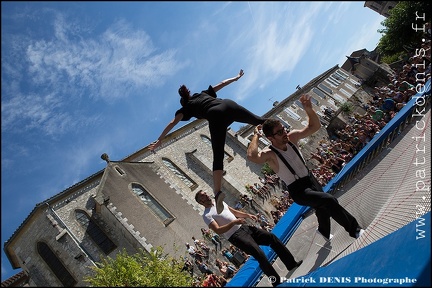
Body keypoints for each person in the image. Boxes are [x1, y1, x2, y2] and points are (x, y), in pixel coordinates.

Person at [247, 94, 365, 241]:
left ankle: (323, 231)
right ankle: (355, 230)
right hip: (298, 190)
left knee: (322, 207)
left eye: (283, 129)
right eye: (279, 132)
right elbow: (252, 157)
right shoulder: (270, 154)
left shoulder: (293, 137)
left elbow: (315, 126)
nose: (284, 133)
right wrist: (256, 136)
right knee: (328, 200)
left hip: (310, 179)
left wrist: (308, 109)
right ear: (270, 138)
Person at [149, 69, 266, 213]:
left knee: (218, 156)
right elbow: (222, 83)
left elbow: (173, 122)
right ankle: (282, 131)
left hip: (216, 115)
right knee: (260, 121)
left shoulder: (186, 108)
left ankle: (217, 193)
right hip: (229, 105)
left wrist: (159, 140)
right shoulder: (202, 94)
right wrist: (236, 77)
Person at [195, 190, 302, 287]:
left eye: (205, 193)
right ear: (201, 201)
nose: (206, 195)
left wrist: (247, 215)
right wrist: (234, 222)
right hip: (236, 236)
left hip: (245, 228)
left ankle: (291, 264)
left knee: (271, 238)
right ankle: (276, 282)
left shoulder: (219, 203)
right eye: (203, 196)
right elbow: (218, 230)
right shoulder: (207, 215)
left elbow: (234, 212)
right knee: (259, 254)